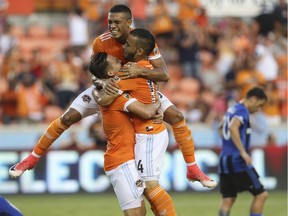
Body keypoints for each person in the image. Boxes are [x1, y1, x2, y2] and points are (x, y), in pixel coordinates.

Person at [9, 4, 216, 189]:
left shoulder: (143, 40)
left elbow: (163, 74)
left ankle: (192, 168)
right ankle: (32, 159)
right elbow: (93, 72)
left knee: (177, 117)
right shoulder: (101, 43)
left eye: (117, 22)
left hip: (137, 87)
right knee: (68, 118)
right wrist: (105, 86)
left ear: (129, 22)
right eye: (109, 22)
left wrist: (138, 72)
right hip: (107, 86)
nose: (112, 26)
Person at [90, 28, 177, 215]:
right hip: (121, 160)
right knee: (143, 202)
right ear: (110, 71)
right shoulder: (117, 90)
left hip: (126, 156)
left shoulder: (119, 84)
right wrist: (157, 105)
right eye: (115, 61)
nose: (119, 58)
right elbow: (146, 110)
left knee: (141, 208)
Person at [218, 87, 269, 216]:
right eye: (259, 105)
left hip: (224, 159)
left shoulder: (232, 109)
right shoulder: (242, 111)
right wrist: (242, 151)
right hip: (237, 160)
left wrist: (227, 144)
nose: (259, 109)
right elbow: (233, 127)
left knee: (228, 199)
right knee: (261, 195)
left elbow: (221, 127)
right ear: (253, 99)